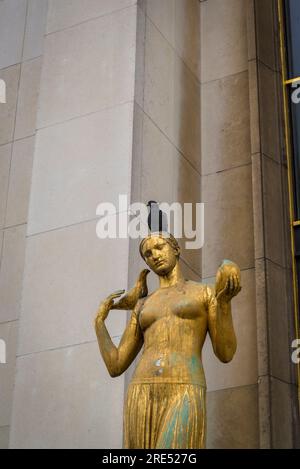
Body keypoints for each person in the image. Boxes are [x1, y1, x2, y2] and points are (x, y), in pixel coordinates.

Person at [94, 232, 241, 449]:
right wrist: (99, 323)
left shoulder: (204, 293)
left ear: (176, 249)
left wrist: (225, 304)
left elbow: (225, 353)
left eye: (160, 247)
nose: (154, 255)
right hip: (141, 390)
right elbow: (115, 365)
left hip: (185, 387)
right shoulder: (142, 305)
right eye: (147, 254)